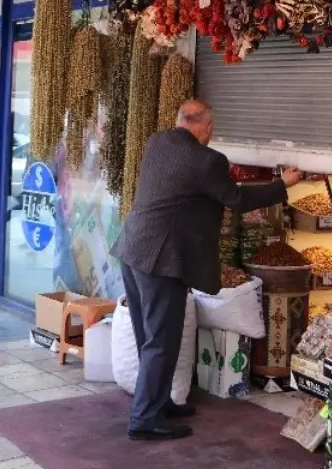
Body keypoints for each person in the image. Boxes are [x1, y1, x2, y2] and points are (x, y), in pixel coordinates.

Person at [116, 99, 303, 441]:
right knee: (162, 340)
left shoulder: (158, 142)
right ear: (199, 124)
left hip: (133, 250)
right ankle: (144, 420)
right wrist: (283, 185)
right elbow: (237, 199)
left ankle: (157, 404)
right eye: (211, 126)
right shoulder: (207, 161)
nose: (212, 132)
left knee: (149, 337)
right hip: (162, 260)